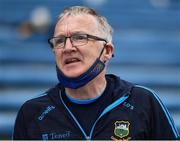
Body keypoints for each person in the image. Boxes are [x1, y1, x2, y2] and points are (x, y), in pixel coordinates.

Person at [13, 6, 179, 140]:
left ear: (107, 51)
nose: (68, 47)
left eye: (80, 37)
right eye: (60, 40)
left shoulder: (145, 102)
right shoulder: (32, 112)